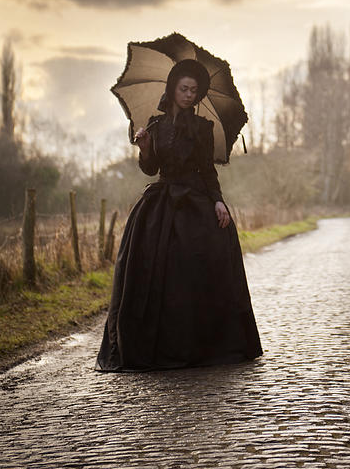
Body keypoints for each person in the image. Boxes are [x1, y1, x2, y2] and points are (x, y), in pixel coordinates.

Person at [95, 58, 263, 371]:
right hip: (159, 206)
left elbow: (208, 171)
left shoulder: (203, 127)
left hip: (195, 202)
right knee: (151, 271)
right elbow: (151, 168)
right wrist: (145, 147)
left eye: (193, 91)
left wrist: (218, 201)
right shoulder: (155, 125)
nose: (188, 94)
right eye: (183, 88)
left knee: (195, 268)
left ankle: (199, 345)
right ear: (172, 89)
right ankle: (155, 346)